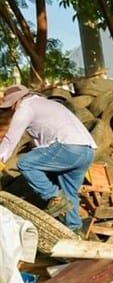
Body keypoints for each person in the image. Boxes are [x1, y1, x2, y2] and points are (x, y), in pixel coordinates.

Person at [0, 85, 97, 234]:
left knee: (25, 163)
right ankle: (75, 230)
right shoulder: (48, 104)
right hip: (88, 149)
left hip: (68, 147)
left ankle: (54, 197)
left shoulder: (25, 107)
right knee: (69, 192)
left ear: (14, 102)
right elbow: (43, 143)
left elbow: (9, 140)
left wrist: (1, 161)